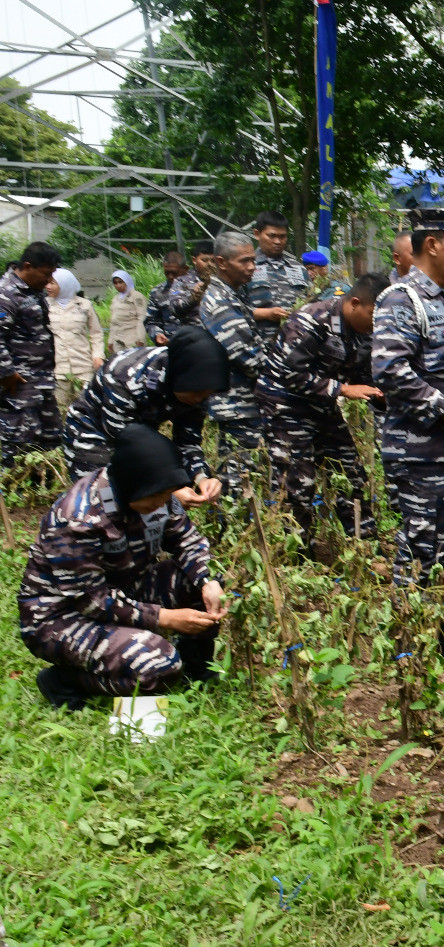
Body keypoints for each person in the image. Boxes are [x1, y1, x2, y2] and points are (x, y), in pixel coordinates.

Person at [20, 424, 225, 709]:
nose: (161, 504)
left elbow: (186, 539)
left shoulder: (157, 493)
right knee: (159, 664)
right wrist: (164, 618)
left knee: (201, 583)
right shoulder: (79, 518)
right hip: (63, 616)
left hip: (125, 589)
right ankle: (66, 681)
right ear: (131, 485)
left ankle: (195, 671)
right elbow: (91, 600)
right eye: (155, 498)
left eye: (166, 496)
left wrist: (207, 580)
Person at [370, 209, 444, 583]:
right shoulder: (402, 299)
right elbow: (389, 370)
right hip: (424, 455)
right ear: (432, 245)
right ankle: (412, 633)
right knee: (423, 553)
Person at [256, 273, 387, 550]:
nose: (377, 322)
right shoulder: (311, 320)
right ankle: (297, 550)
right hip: (285, 402)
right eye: (374, 314)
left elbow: (363, 375)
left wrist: (381, 395)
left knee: (349, 468)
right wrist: (340, 390)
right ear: (355, 303)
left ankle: (363, 543)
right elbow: (288, 373)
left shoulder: (365, 332)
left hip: (320, 402)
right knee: (297, 481)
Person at [62, 325, 227, 504]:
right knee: (103, 503)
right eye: (196, 393)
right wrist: (165, 491)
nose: (199, 399)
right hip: (92, 433)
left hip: (138, 433)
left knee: (149, 512)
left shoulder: (197, 389)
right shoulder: (125, 378)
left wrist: (201, 478)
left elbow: (187, 442)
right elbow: (126, 447)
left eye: (205, 394)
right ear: (177, 376)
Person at [200, 231, 269, 495]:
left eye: (253, 260)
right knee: (241, 481)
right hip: (237, 405)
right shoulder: (221, 302)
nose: (252, 267)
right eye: (244, 261)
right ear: (221, 262)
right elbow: (249, 358)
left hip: (244, 403)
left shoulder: (235, 295)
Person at [0, 241, 64, 464]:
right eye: (46, 274)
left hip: (41, 380)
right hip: (19, 384)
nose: (49, 281)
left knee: (50, 442)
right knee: (18, 444)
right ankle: (11, 494)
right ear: (27, 266)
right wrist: (6, 373)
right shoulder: (6, 293)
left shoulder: (33, 291)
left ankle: (43, 493)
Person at [246, 210, 307, 342]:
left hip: (295, 342)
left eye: (283, 236)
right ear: (257, 234)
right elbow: (232, 308)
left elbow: (311, 303)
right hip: (259, 343)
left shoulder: (298, 268)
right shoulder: (245, 267)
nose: (278, 241)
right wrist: (266, 314)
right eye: (272, 236)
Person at [46, 267, 103, 391]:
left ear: (64, 284)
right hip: (58, 370)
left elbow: (96, 332)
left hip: (83, 368)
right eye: (47, 282)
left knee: (85, 406)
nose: (47, 286)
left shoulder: (84, 305)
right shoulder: (45, 305)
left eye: (52, 283)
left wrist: (98, 355)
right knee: (61, 407)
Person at [165, 240, 216, 331]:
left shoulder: (224, 279)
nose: (209, 264)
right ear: (194, 260)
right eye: (204, 260)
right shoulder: (182, 282)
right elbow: (175, 309)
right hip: (195, 333)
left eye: (213, 261)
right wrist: (192, 298)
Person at [144, 250, 189, 345]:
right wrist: (157, 334)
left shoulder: (197, 290)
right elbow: (151, 321)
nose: (170, 276)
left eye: (174, 273)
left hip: (195, 345)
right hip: (169, 347)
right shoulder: (157, 293)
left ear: (185, 269)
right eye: (167, 273)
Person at [106, 270, 148, 354]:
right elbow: (113, 322)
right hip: (117, 341)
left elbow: (142, 319)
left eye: (121, 282)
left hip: (132, 340)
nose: (118, 285)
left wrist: (141, 339)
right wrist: (110, 341)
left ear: (127, 281)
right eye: (115, 283)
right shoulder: (115, 299)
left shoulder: (137, 296)